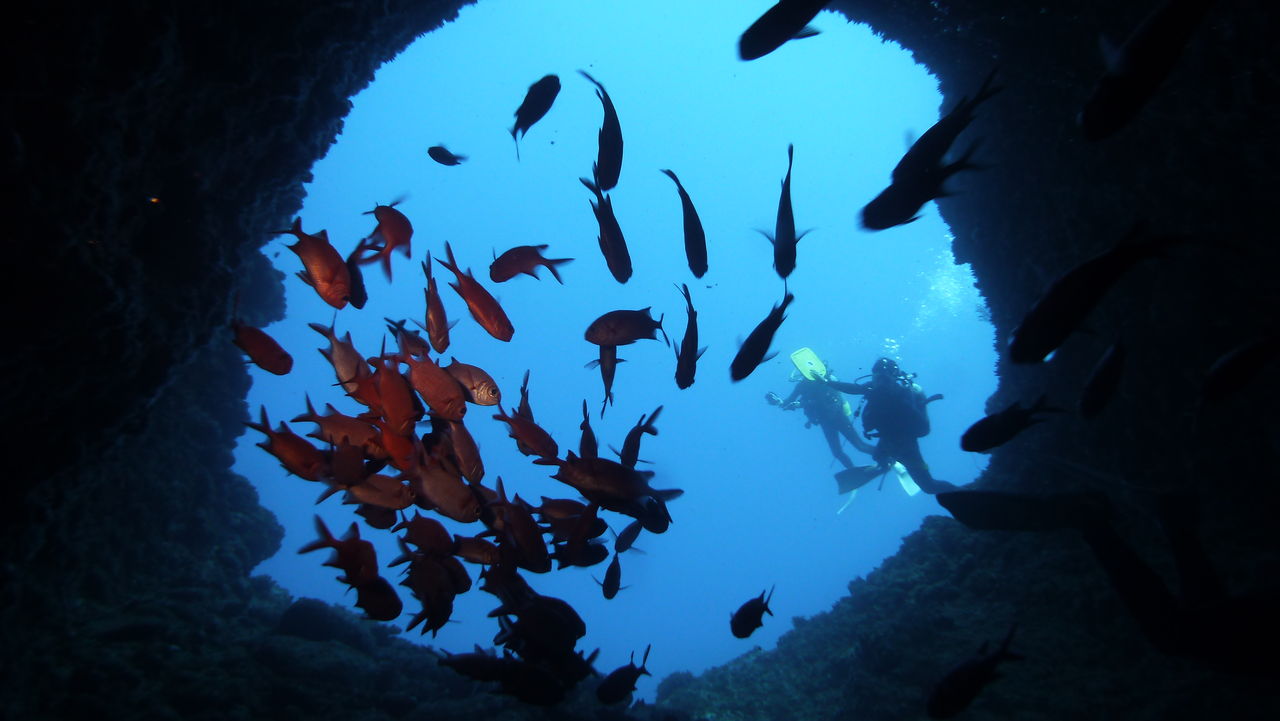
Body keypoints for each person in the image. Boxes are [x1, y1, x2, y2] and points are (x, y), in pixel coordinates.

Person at [821, 356, 954, 495]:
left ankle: (962, 492)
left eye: (883, 377)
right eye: (878, 376)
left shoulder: (901, 392)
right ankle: (887, 463)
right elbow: (853, 388)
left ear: (892, 377)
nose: (881, 381)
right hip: (888, 439)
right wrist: (827, 382)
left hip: (906, 445)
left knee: (928, 486)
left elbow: (914, 420)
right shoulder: (873, 388)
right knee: (879, 457)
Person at [766, 349, 878, 486]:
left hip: (837, 416)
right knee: (837, 452)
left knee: (859, 445)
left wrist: (801, 404)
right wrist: (779, 402)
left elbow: (821, 401)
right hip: (825, 421)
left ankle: (887, 455)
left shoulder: (823, 380)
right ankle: (854, 473)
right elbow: (789, 402)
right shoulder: (801, 386)